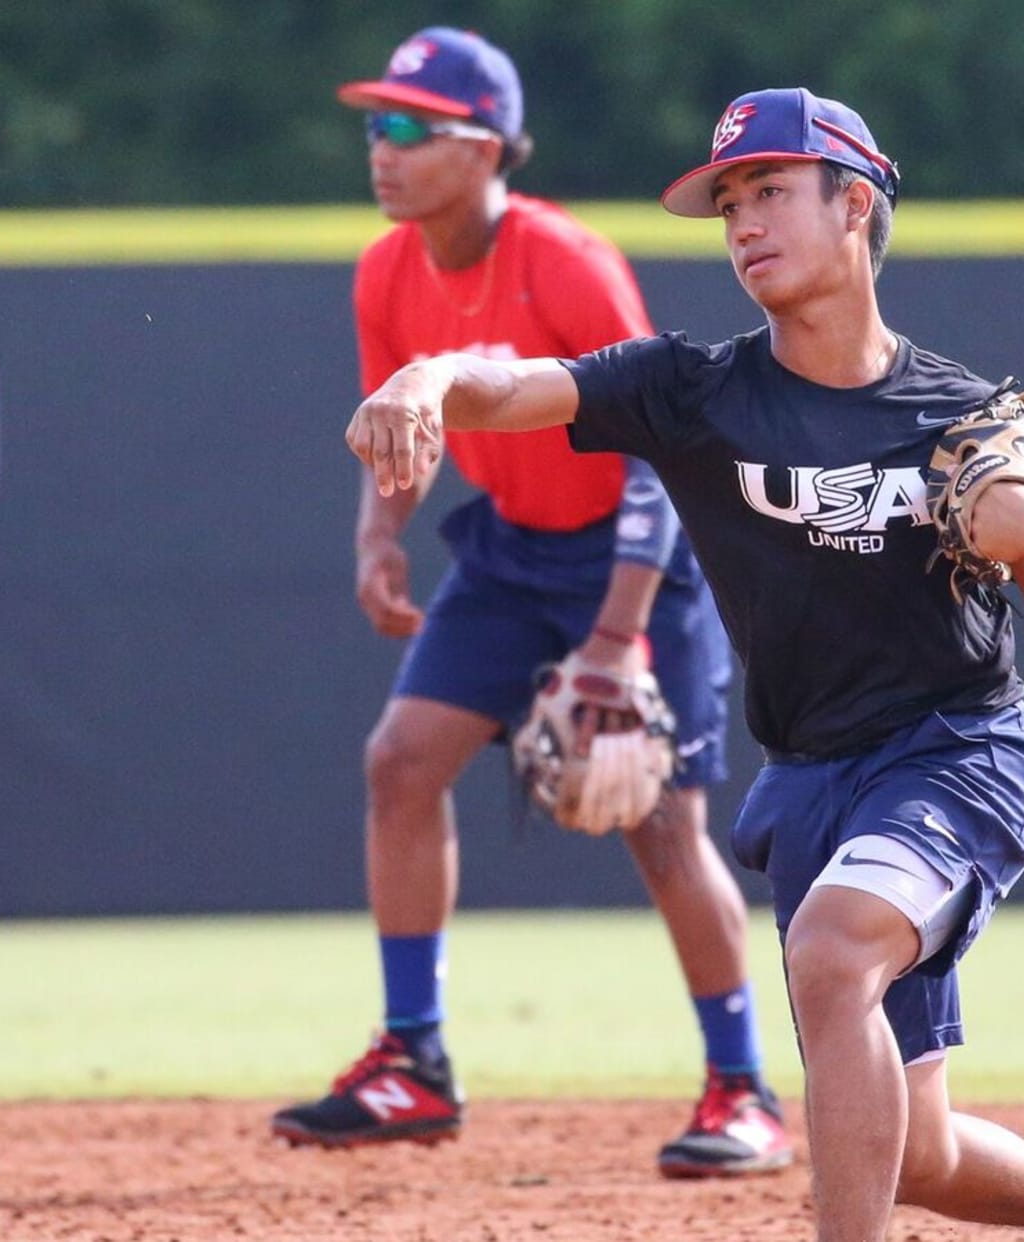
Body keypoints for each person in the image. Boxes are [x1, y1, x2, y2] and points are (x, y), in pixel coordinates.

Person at [344, 87, 1024, 1242]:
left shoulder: (961, 420)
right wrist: (431, 379)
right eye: (729, 201)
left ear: (858, 205)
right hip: (810, 781)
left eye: (773, 191)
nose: (744, 223)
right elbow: (520, 385)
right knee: (917, 1151)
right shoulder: (694, 391)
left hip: (957, 755)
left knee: (832, 955)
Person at [271, 29, 793, 1179]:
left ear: (486, 146)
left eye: (411, 128)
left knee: (660, 825)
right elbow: (393, 425)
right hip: (509, 555)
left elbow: (661, 446)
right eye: (375, 125)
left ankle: (742, 1089)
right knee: (401, 762)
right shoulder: (386, 269)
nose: (384, 149)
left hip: (639, 552)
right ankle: (413, 1059)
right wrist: (376, 540)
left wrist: (617, 643)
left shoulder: (562, 259)